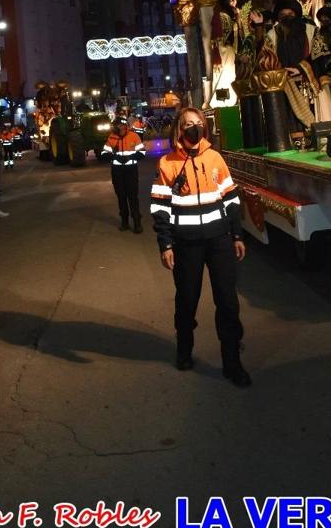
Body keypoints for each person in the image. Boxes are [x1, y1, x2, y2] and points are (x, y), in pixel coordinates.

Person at [150, 108, 251, 386]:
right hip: (186, 245)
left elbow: (230, 199)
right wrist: (165, 244)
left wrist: (237, 235)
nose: (193, 128)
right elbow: (160, 208)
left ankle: (232, 362)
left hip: (219, 241)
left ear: (204, 127)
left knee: (228, 302)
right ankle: (184, 350)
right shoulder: (167, 163)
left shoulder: (215, 158)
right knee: (186, 300)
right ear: (178, 130)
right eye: (187, 124)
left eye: (197, 123)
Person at [101, 117, 145, 232]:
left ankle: (137, 223)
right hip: (117, 172)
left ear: (125, 126)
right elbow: (104, 154)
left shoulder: (134, 136)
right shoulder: (111, 138)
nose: (120, 128)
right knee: (121, 197)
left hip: (131, 171)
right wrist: (116, 157)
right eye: (118, 126)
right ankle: (124, 222)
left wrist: (129, 157)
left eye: (122, 126)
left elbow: (142, 153)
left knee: (133, 197)